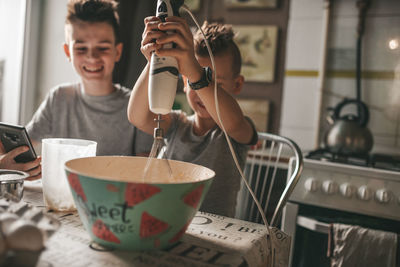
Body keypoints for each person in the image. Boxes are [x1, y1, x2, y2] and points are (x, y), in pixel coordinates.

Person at [128, 17, 258, 217]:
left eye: (217, 84)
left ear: (237, 85)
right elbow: (137, 117)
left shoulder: (234, 131)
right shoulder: (177, 124)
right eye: (193, 80)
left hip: (215, 230)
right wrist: (153, 61)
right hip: (164, 218)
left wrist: (198, 74)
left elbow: (232, 122)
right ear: (184, 82)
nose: (201, 93)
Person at [25, 0, 153, 163]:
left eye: (103, 48)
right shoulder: (58, 98)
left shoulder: (136, 105)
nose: (92, 57)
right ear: (67, 52)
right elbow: (20, 145)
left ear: (117, 51)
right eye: (81, 48)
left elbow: (146, 163)